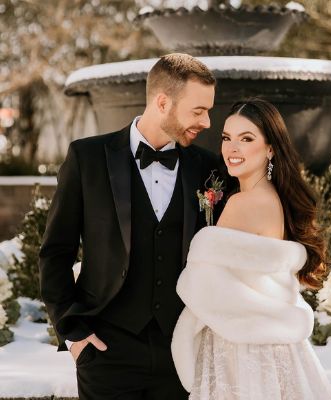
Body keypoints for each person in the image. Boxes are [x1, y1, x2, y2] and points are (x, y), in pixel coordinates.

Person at [39, 53, 221, 399]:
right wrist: (74, 335)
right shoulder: (87, 158)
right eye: (199, 111)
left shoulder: (208, 168)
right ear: (163, 102)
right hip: (106, 351)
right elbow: (55, 252)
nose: (208, 122)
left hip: (181, 351)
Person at [171, 98, 331, 399]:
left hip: (237, 349)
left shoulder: (243, 203)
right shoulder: (274, 198)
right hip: (271, 346)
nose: (232, 149)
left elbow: (201, 286)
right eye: (226, 138)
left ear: (271, 148)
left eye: (246, 139)